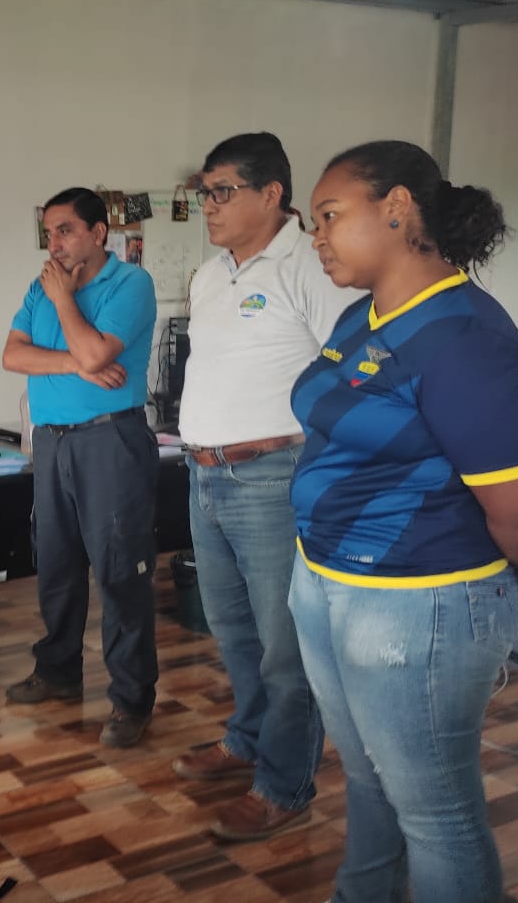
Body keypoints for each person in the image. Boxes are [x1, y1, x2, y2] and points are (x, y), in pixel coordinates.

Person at [290, 141, 518, 902]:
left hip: (416, 600)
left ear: (396, 208)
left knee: (436, 812)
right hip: (326, 577)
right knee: (367, 777)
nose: (317, 237)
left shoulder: (465, 337)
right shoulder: (364, 315)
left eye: (329, 216)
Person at [172, 132, 363, 841]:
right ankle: (247, 738)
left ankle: (284, 784)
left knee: (286, 646)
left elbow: (349, 375)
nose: (208, 205)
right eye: (204, 193)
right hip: (204, 474)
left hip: (272, 476)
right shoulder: (209, 275)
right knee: (232, 630)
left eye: (222, 191)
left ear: (271, 193)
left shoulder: (309, 266)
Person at [1, 186, 159, 748]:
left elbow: (99, 354)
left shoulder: (130, 284)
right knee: (56, 562)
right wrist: (75, 364)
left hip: (109, 439)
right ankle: (59, 669)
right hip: (51, 440)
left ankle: (131, 700)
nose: (55, 244)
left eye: (65, 230)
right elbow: (12, 355)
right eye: (49, 233)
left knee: (120, 570)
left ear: (99, 233)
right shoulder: (39, 287)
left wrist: (65, 300)